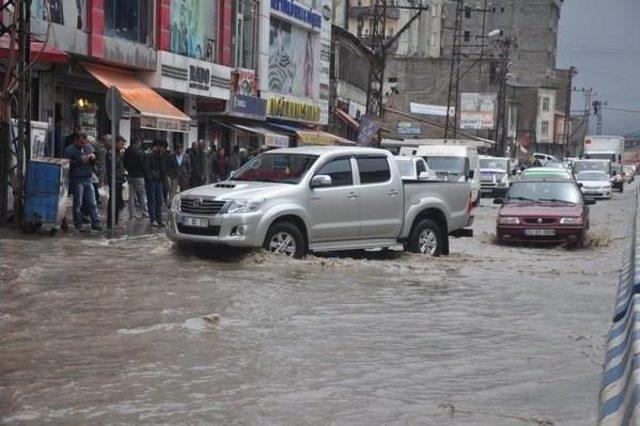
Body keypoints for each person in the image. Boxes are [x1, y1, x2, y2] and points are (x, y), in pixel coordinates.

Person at [64, 132, 102, 233]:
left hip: (88, 177)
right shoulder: (69, 150)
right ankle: (78, 225)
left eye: (84, 143)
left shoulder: (88, 148)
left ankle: (96, 223)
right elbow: (67, 165)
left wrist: (93, 159)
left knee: (92, 202)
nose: (83, 145)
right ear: (76, 140)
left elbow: (96, 162)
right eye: (81, 142)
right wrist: (80, 160)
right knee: (78, 204)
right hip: (77, 179)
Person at [123, 136, 149, 219]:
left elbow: (124, 162)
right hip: (139, 175)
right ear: (139, 142)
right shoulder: (139, 152)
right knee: (141, 195)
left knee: (131, 195)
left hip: (130, 175)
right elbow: (143, 164)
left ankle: (132, 214)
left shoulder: (127, 151)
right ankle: (144, 212)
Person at [145, 140, 168, 227]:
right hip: (151, 180)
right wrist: (151, 176)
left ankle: (159, 219)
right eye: (163, 148)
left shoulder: (161, 156)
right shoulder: (149, 155)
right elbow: (146, 168)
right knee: (152, 200)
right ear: (158, 146)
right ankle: (153, 219)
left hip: (159, 180)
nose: (164, 150)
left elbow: (163, 167)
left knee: (159, 200)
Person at [106, 135, 126, 228]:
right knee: (113, 201)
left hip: (119, 179)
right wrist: (120, 156)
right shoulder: (111, 153)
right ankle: (111, 222)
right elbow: (113, 165)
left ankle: (115, 221)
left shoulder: (117, 153)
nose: (122, 146)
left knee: (117, 201)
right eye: (121, 144)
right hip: (114, 180)